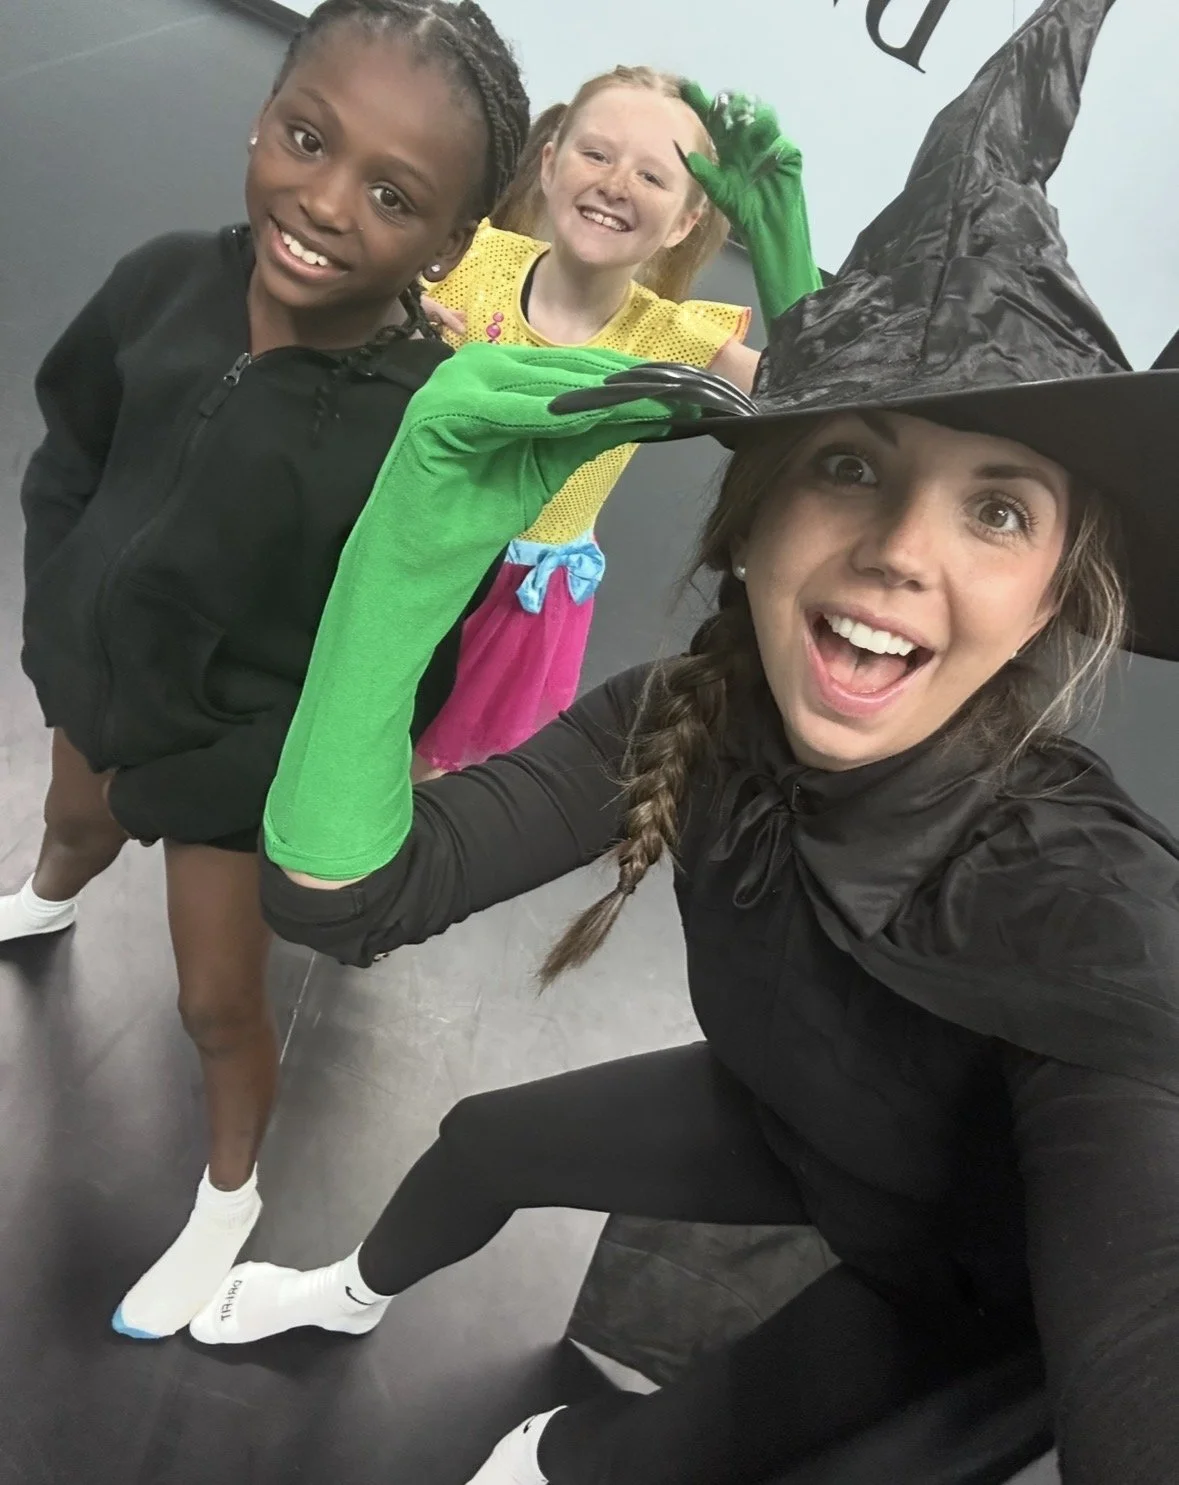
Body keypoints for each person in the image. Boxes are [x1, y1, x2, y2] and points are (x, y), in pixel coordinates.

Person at [195, 0, 1179, 1479]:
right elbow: (339, 895)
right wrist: (405, 545)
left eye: (994, 507)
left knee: (596, 1461)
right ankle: (345, 1298)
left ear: (1050, 592)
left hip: (952, 1291)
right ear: (755, 520)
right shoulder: (691, 704)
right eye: (847, 466)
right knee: (479, 1141)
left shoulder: (1092, 908)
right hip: (782, 1110)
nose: (901, 553)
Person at [0, 0, 530, 1342]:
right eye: (306, 138)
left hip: (240, 761)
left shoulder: (421, 439)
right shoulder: (163, 278)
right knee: (72, 816)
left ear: (450, 244)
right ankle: (47, 898)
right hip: (99, 680)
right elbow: (69, 447)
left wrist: (207, 773)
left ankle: (227, 1197)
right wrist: (60, 620)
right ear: (265, 113)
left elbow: (392, 682)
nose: (325, 202)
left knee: (216, 997)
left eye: (391, 194)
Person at [411, 67, 822, 776]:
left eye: (653, 177)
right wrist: (399, 317)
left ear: (687, 221)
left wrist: (780, 232)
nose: (615, 183)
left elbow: (814, 394)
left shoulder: (672, 337)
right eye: (597, 154)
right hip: (412, 551)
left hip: (517, 600)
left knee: (426, 776)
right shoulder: (472, 261)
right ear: (549, 163)